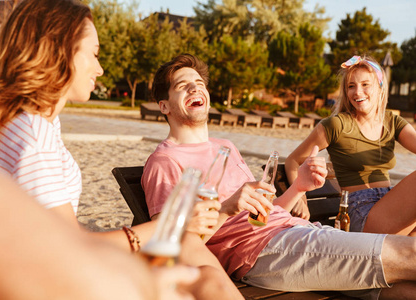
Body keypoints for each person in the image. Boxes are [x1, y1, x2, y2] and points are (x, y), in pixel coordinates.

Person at [0, 1, 240, 299]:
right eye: (94, 54)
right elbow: (66, 248)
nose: (100, 68)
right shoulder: (32, 133)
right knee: (204, 277)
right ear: (60, 52)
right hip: (47, 278)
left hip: (48, 264)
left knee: (192, 252)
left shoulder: (38, 123)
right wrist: (172, 222)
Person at [142, 53, 416, 299]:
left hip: (299, 235)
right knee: (410, 253)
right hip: (263, 252)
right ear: (164, 106)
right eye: (183, 85)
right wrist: (227, 207)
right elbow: (170, 243)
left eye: (199, 83)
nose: (195, 87)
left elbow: (261, 217)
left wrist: (299, 186)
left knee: (406, 292)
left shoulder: (225, 146)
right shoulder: (165, 160)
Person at [285, 55, 416, 236]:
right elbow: (292, 160)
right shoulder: (336, 125)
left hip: (389, 203)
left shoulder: (392, 122)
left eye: (365, 85)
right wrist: (299, 197)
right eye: (351, 86)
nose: (357, 92)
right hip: (360, 211)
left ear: (380, 87)